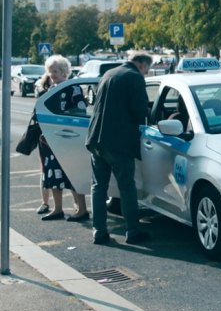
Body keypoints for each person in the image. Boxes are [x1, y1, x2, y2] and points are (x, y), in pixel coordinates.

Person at [85, 53, 153, 245]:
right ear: (141, 65)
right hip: (119, 141)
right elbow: (140, 110)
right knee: (127, 186)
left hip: (96, 138)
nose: (146, 74)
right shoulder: (134, 77)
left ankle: (99, 231)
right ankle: (132, 231)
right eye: (146, 70)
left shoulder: (108, 73)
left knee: (98, 187)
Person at [36, 55, 90, 222]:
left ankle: (82, 209)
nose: (53, 74)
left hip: (69, 139)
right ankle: (57, 209)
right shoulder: (51, 90)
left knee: (73, 173)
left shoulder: (73, 88)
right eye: (50, 71)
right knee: (52, 174)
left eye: (56, 71)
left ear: (65, 71)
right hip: (51, 139)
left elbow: (80, 111)